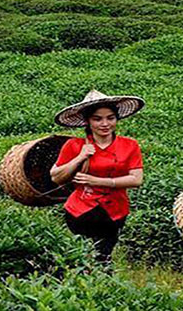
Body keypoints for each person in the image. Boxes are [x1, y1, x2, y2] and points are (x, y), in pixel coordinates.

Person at [49, 90, 145, 267]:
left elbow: (136, 179)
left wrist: (97, 181)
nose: (105, 124)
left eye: (110, 118)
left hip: (115, 210)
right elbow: (56, 177)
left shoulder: (129, 145)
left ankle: (103, 291)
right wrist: (80, 157)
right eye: (97, 119)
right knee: (80, 257)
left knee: (104, 256)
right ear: (88, 121)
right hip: (80, 210)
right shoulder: (74, 145)